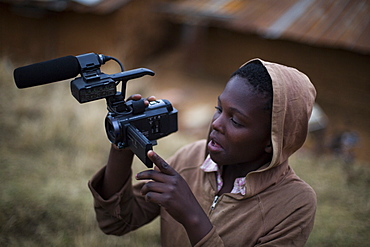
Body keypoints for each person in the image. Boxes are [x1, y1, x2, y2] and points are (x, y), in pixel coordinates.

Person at [88, 58, 317, 246]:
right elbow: (116, 223)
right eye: (219, 109)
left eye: (236, 121)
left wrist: (192, 216)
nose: (216, 123)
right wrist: (122, 143)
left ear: (272, 141)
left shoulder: (295, 204)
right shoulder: (192, 158)